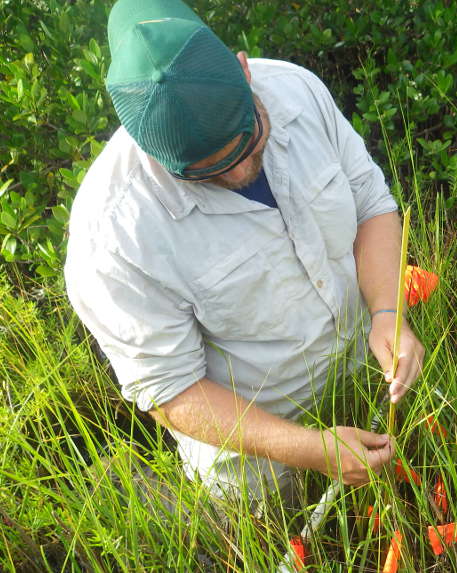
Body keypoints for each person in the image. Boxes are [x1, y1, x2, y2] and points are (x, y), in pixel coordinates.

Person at [64, 0, 424, 503]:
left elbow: (372, 205)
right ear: (151, 150)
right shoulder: (113, 240)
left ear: (243, 70)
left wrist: (388, 314)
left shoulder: (295, 89)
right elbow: (171, 393)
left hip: (363, 379)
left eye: (248, 141)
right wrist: (312, 450)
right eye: (208, 171)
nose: (237, 173)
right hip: (258, 463)